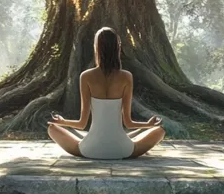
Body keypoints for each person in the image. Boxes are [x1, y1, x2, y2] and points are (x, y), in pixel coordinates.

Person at [47, 27, 165, 159]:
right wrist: (148, 125)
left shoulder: (86, 76)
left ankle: (91, 139)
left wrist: (62, 122)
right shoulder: (126, 76)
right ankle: (124, 139)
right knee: (159, 131)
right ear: (117, 48)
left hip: (90, 149)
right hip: (123, 150)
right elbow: (128, 123)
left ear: (96, 48)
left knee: (52, 128)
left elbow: (81, 124)